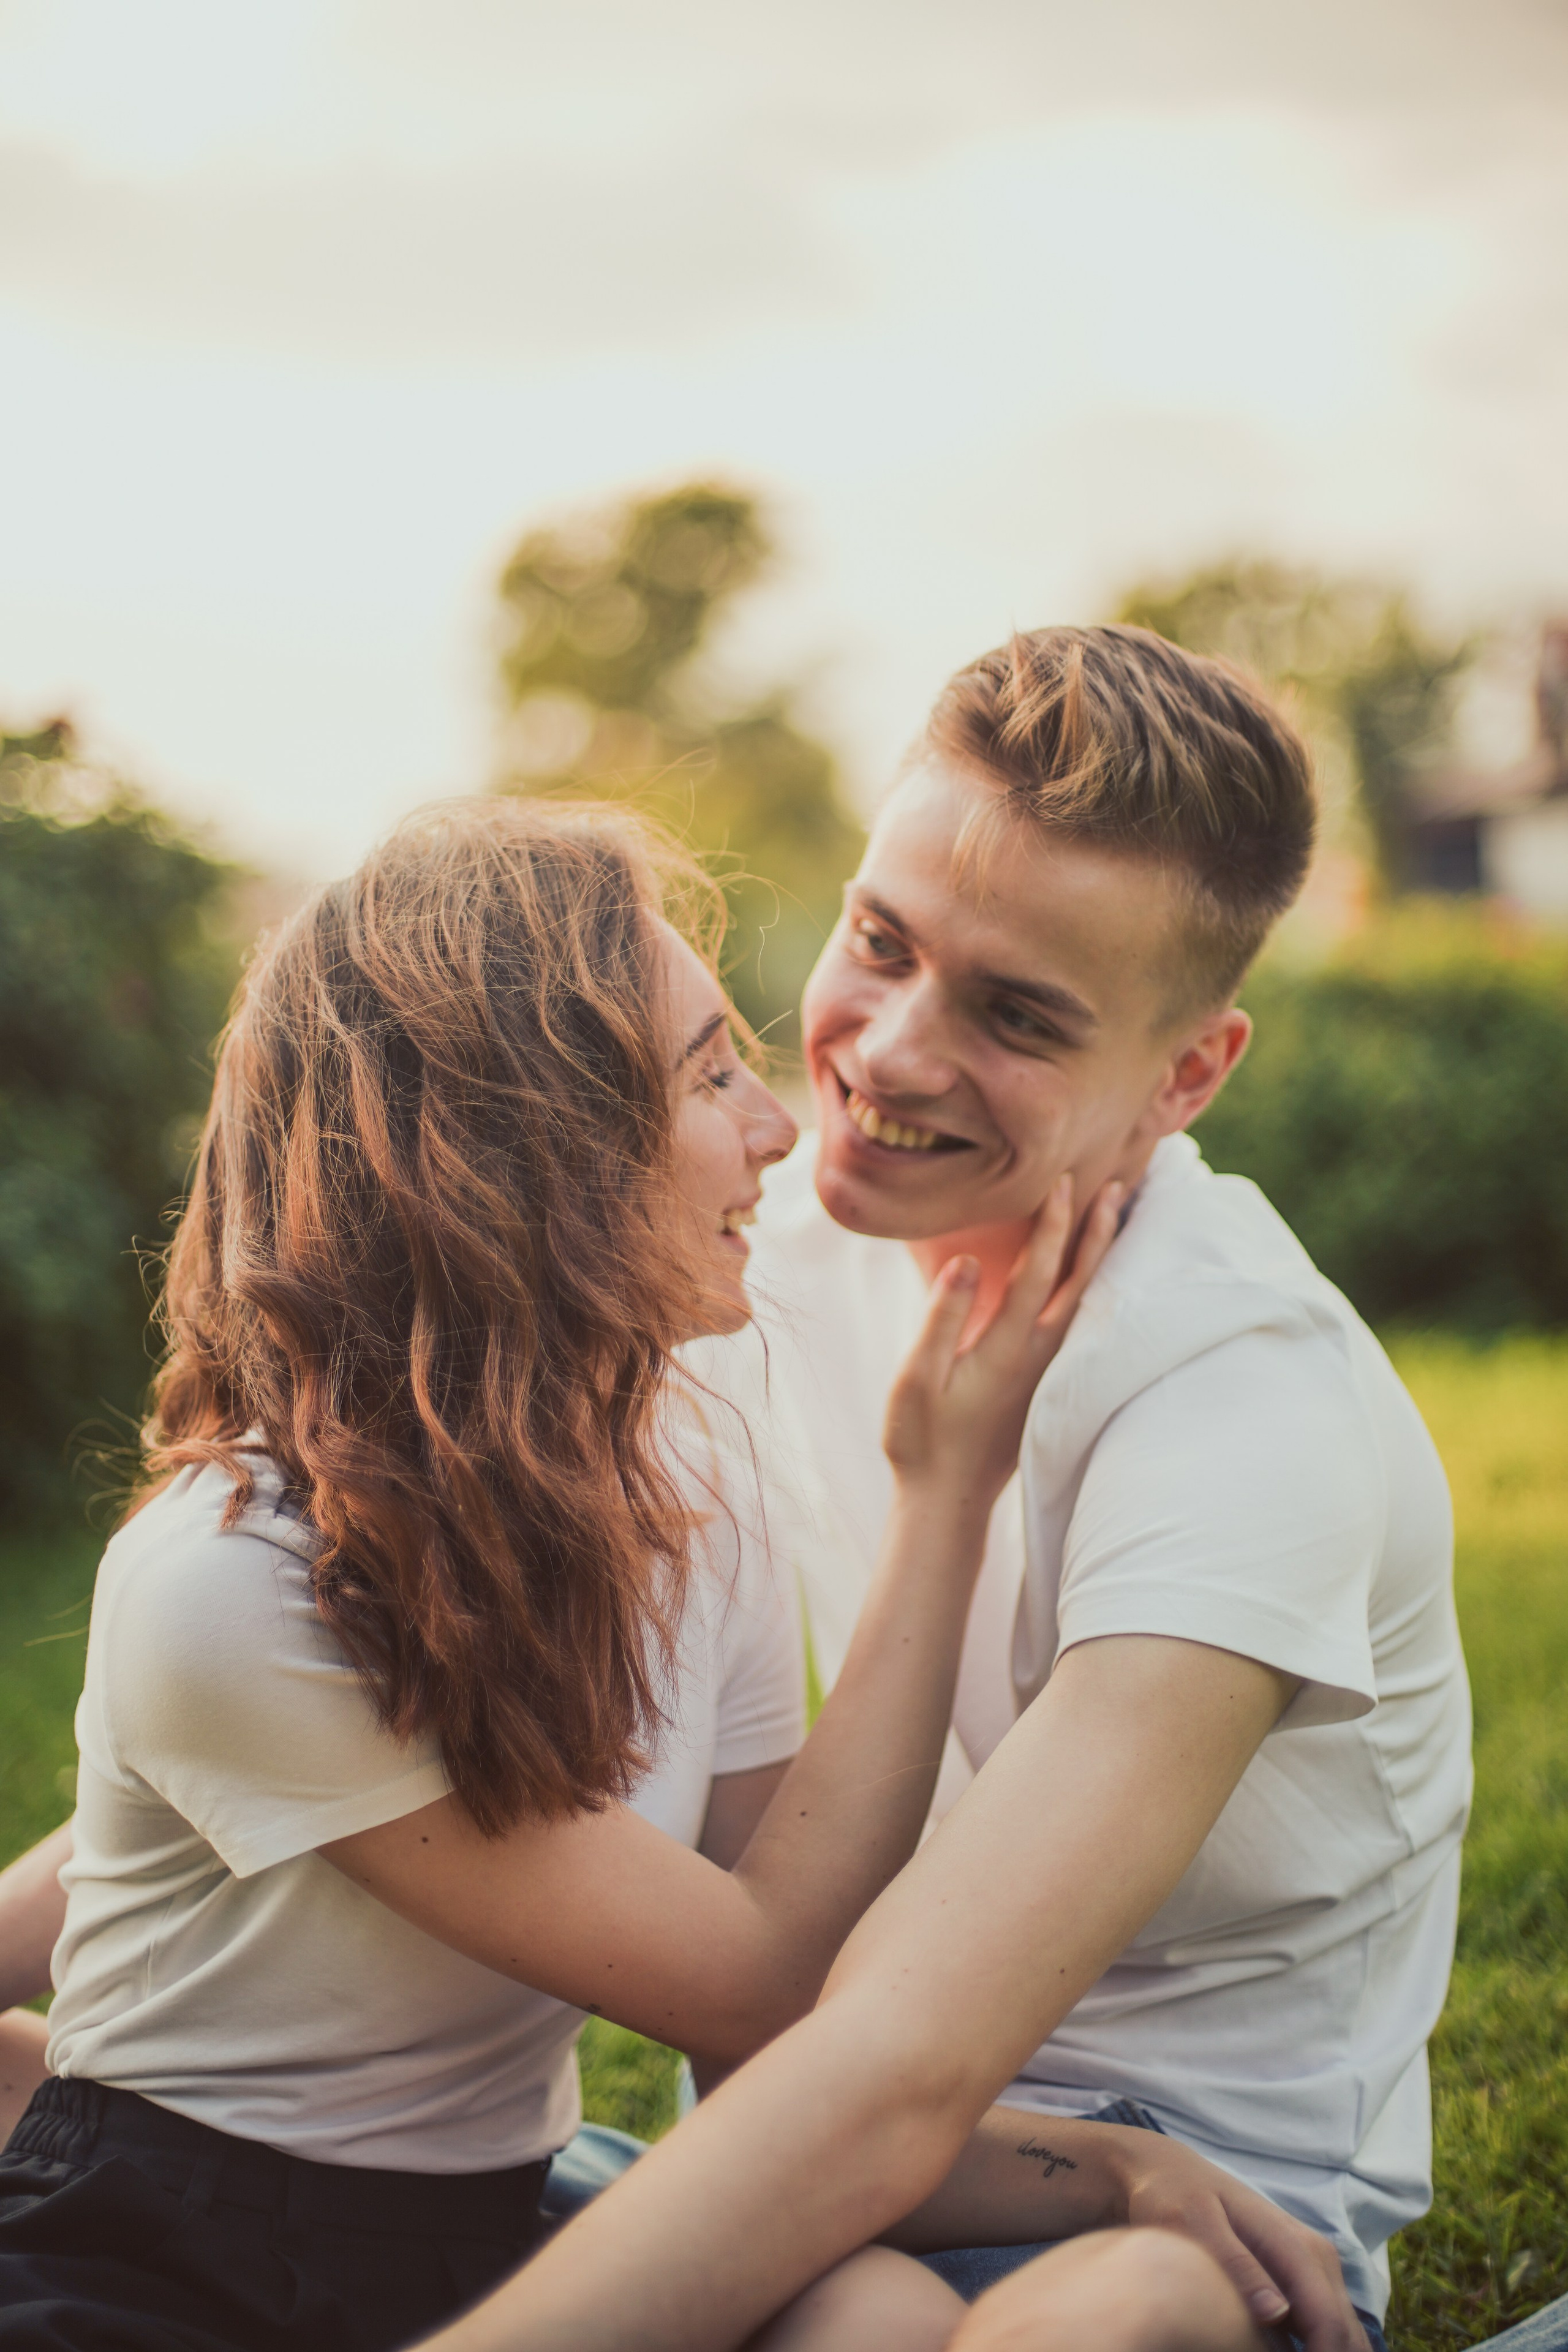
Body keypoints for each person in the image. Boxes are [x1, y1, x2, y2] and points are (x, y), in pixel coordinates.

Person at [0, 793, 1330, 2352]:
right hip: (171, 2268)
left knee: (889, 2317)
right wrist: (941, 1495)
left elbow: (779, 2027)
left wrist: (1093, 2172)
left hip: (495, 2236)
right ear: (528, 1154)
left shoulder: (691, 1481)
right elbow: (754, 1982)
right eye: (707, 1075)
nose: (775, 1123)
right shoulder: (233, 1582)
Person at [390, 625, 1477, 2352]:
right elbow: (352, 1674)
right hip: (827, 2166)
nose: (888, 1054)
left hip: (1192, 2214)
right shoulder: (763, 1244)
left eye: (1017, 1016)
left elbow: (904, 2068)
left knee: (1091, 2317)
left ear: (1187, 1075)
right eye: (879, 942)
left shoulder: (1245, 1407)